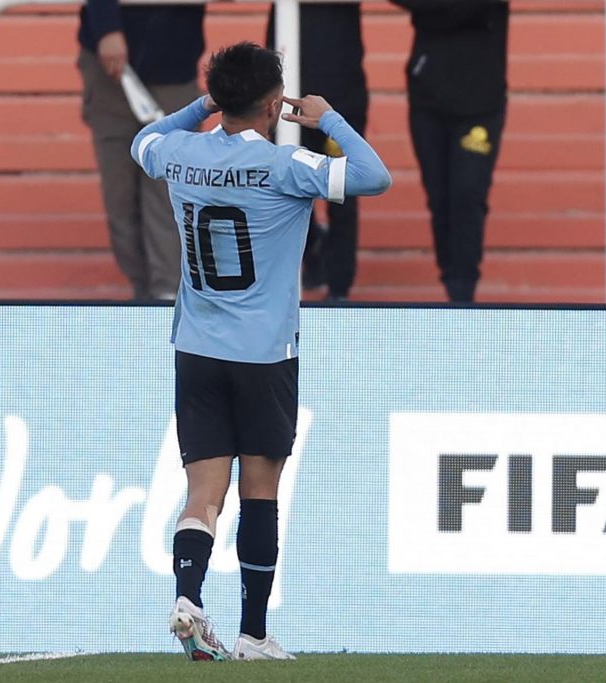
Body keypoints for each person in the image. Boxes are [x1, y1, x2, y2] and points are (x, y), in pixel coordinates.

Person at [130, 42, 391, 660]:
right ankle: (252, 634)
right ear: (276, 104)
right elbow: (375, 175)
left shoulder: (179, 153)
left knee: (202, 495)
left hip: (195, 349)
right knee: (260, 492)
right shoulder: (288, 166)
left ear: (218, 97)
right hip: (265, 355)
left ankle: (188, 596)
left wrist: (202, 106)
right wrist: (327, 119)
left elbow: (143, 138)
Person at [77, 0, 205, 300]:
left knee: (168, 194)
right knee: (119, 198)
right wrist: (107, 26)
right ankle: (144, 293)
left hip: (175, 70)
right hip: (108, 69)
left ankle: (166, 295)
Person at [391, 0, 509, 302]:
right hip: (427, 98)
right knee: (439, 198)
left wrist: (432, 11)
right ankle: (452, 284)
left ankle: (463, 291)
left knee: (467, 195)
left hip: (480, 103)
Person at [267, 4, 369, 300]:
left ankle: (340, 289)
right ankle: (310, 253)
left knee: (343, 194)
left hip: (340, 89)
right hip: (284, 89)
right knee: (283, 182)